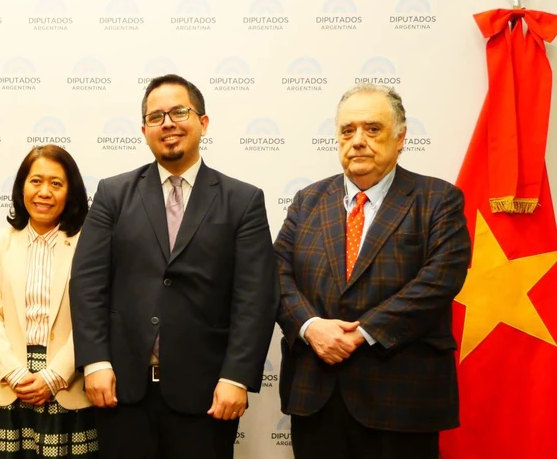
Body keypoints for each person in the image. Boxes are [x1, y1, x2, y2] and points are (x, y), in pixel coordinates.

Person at [69, 74, 279, 459]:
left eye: (179, 112)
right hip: (122, 390)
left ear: (203, 121)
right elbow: (87, 284)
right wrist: (94, 361)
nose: (168, 123)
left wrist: (236, 376)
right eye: (156, 116)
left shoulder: (242, 200)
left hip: (207, 393)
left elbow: (256, 297)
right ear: (144, 130)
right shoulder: (113, 194)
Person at [274, 83, 471, 459]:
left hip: (402, 400)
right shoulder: (307, 201)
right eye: (347, 130)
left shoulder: (438, 200)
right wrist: (311, 327)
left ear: (401, 138)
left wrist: (362, 333)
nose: (358, 140)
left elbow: (439, 280)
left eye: (372, 129)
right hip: (316, 397)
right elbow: (276, 274)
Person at [0, 145, 98, 458]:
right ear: (21, 187)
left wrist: (53, 377)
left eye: (56, 184)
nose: (44, 192)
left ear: (71, 192)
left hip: (67, 386)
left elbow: (93, 317)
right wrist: (15, 374)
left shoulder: (88, 244)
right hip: (8, 385)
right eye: (35, 181)